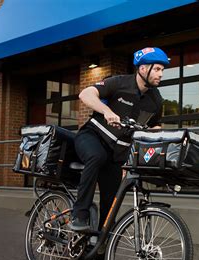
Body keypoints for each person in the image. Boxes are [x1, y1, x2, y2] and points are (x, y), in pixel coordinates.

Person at [68, 47, 169, 235]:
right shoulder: (119, 83)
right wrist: (106, 111)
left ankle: (100, 250)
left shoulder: (156, 100)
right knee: (97, 157)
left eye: (163, 70)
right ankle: (79, 214)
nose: (161, 74)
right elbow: (85, 94)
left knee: (111, 200)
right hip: (92, 137)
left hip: (116, 154)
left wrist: (158, 134)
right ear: (143, 69)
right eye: (157, 69)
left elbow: (154, 126)